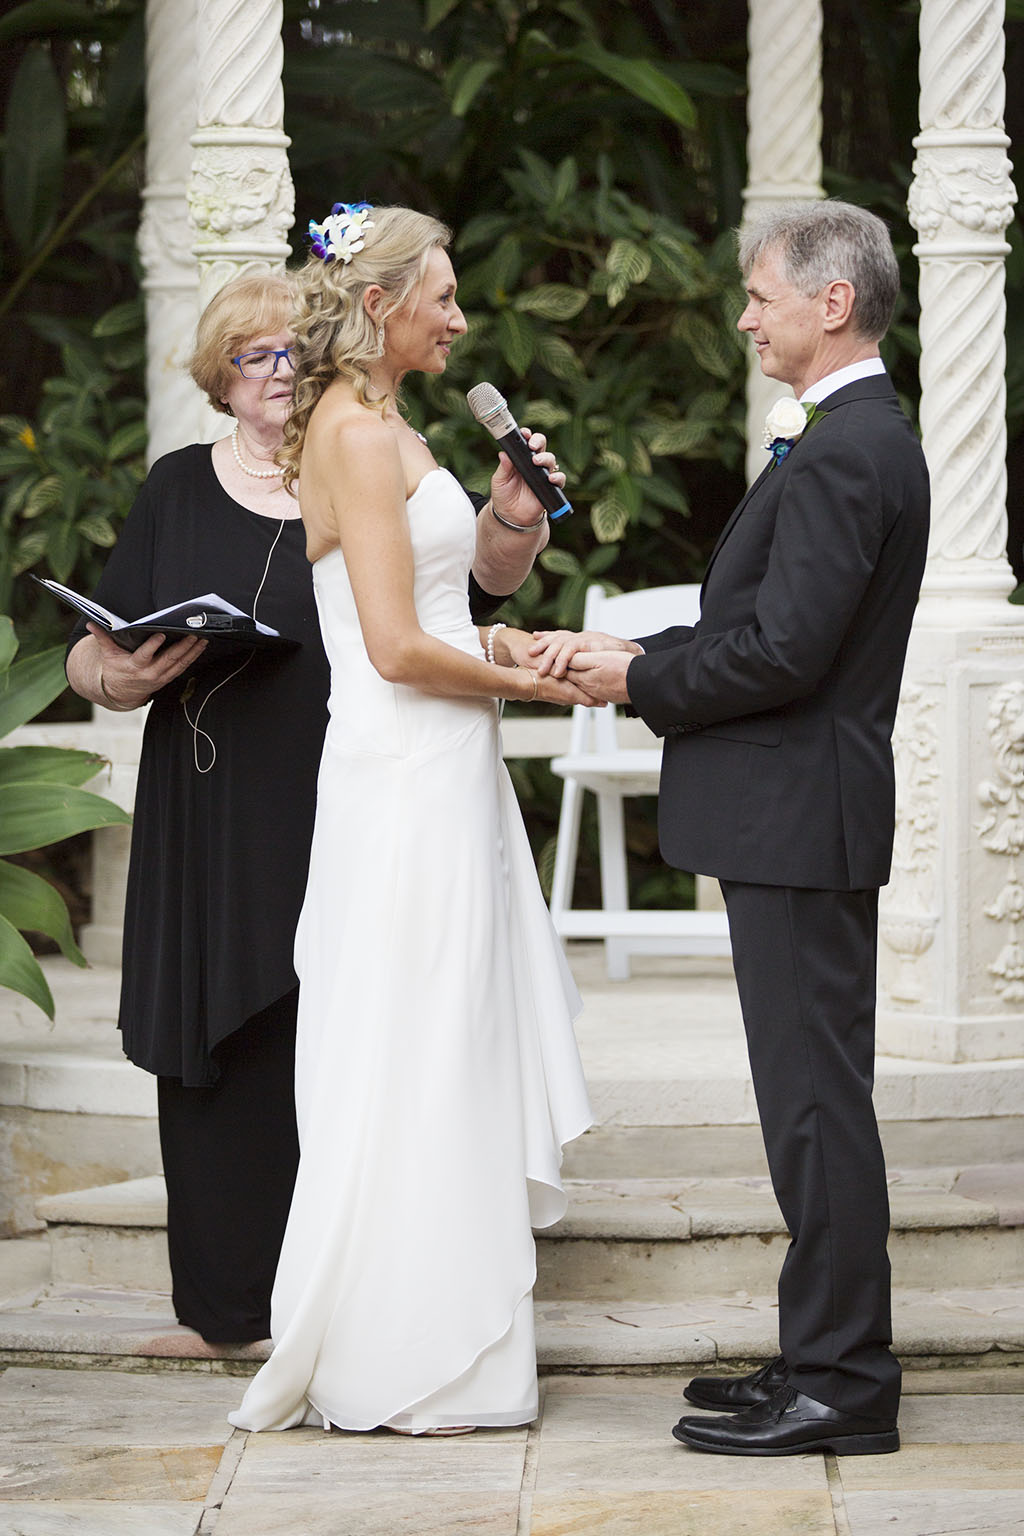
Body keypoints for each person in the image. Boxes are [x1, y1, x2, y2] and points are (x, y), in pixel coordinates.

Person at [65, 271, 564, 1347]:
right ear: (222, 377)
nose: (280, 373)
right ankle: (228, 1305)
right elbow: (87, 651)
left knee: (341, 1034)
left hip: (351, 785)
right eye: (255, 356)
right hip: (212, 800)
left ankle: (346, 1287)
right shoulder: (176, 488)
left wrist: (514, 521)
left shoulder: (363, 452)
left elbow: (464, 597)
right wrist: (118, 677)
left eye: (296, 350)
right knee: (223, 1041)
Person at [532, 201, 929, 1456]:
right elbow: (763, 628)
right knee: (804, 1103)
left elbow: (789, 654)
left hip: (798, 815)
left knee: (815, 1108)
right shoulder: (842, 437)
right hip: (792, 813)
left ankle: (846, 1385)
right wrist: (634, 649)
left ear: (831, 302)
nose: (745, 315)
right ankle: (817, 1355)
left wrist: (634, 686)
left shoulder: (852, 446)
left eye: (761, 295)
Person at [229, 203, 592, 1436]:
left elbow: (456, 595)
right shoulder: (354, 432)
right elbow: (389, 649)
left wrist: (508, 520)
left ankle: (462, 1346)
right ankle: (409, 1355)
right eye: (442, 296)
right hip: (404, 774)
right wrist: (534, 677)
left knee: (456, 1037)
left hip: (448, 773)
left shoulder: (392, 421)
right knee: (415, 1043)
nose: (461, 317)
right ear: (380, 305)